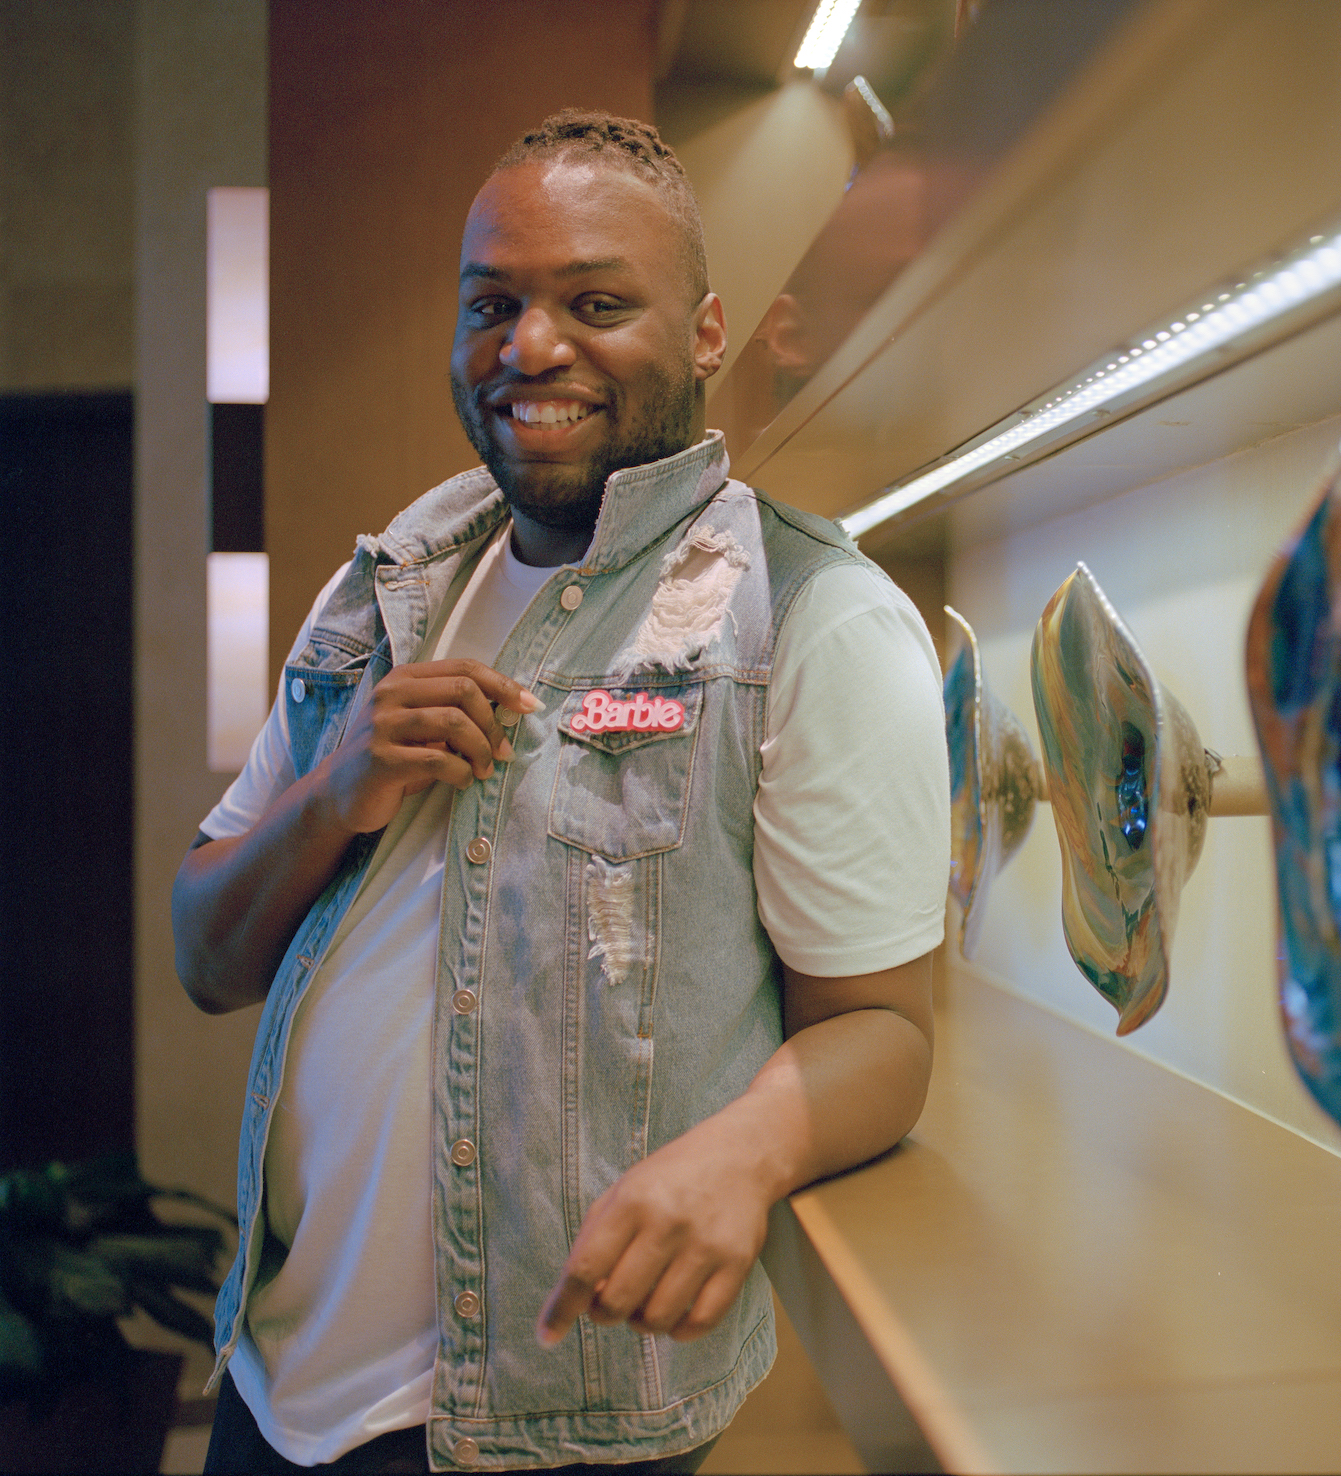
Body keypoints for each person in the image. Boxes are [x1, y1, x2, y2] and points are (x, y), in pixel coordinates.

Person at [172, 109, 949, 1474]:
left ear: (707, 334)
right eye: (495, 304)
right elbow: (205, 953)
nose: (531, 347)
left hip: (551, 1424)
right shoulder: (379, 594)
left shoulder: (814, 619)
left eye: (595, 301)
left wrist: (747, 1155)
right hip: (270, 1386)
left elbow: (884, 1029)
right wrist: (333, 789)